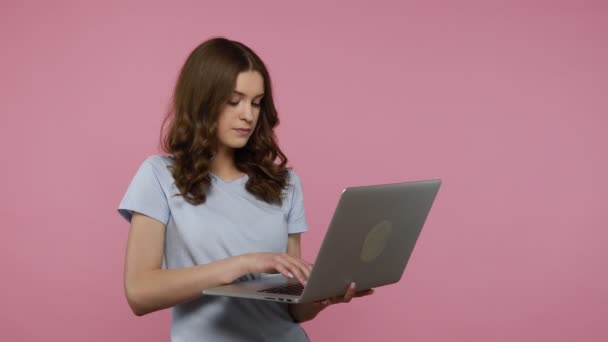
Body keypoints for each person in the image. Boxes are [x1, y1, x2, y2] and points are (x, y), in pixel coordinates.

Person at [117, 37, 373, 341]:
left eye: (256, 102)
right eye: (233, 100)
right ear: (203, 100)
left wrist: (320, 298)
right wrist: (243, 263)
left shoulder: (285, 184)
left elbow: (291, 307)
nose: (248, 115)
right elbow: (140, 292)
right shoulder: (158, 176)